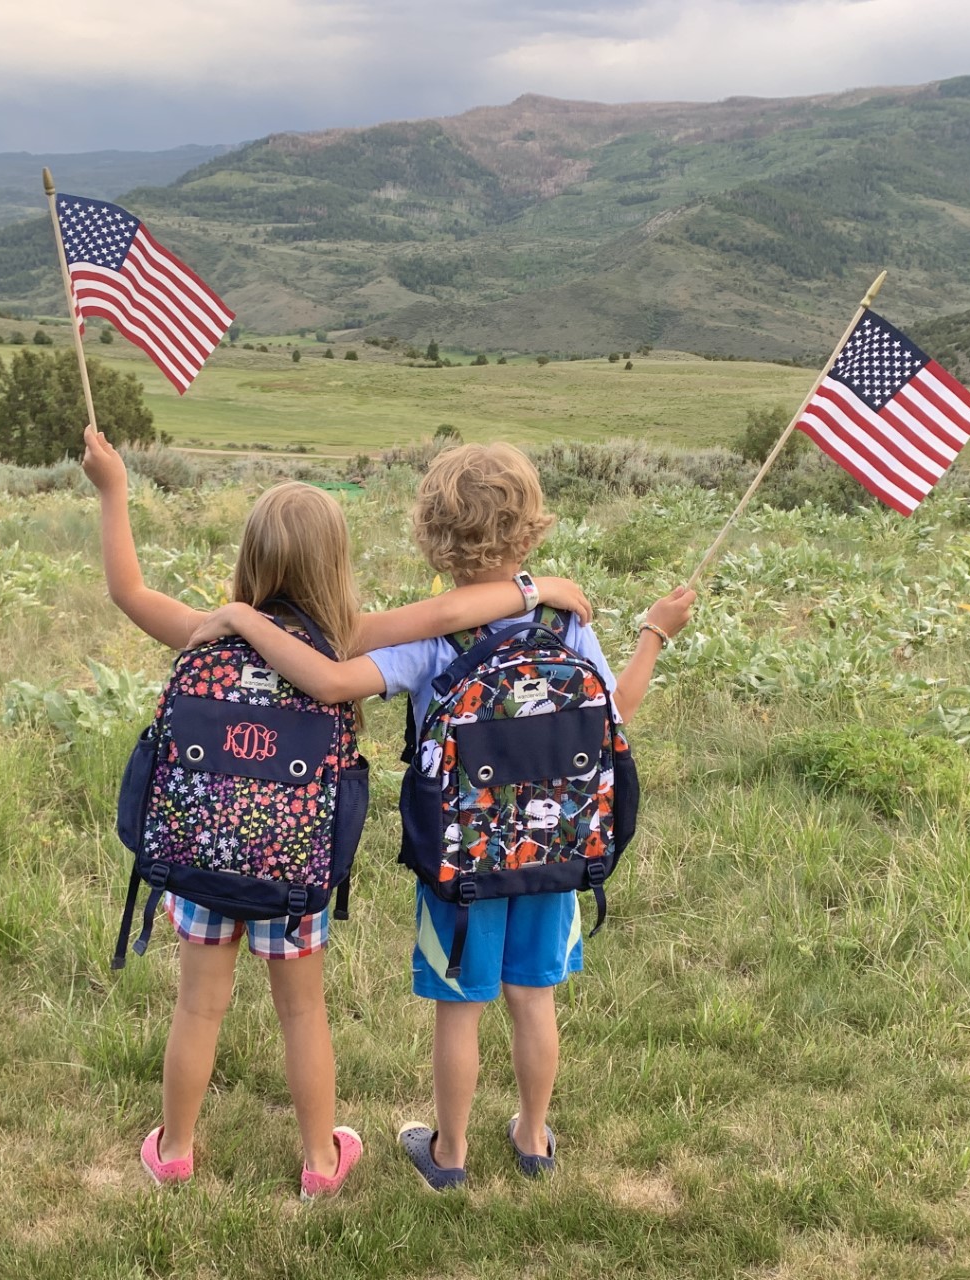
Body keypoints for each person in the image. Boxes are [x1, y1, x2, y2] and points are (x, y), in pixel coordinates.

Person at [81, 427, 595, 1200]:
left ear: (252, 558)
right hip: (297, 869)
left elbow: (127, 592)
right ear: (336, 564)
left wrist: (115, 489)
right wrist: (536, 590)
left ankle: (176, 1150)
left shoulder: (210, 633)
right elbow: (453, 611)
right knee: (303, 1014)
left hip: (203, 859)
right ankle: (321, 1161)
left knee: (196, 1006)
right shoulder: (340, 636)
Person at [186, 442, 696, 1190]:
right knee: (534, 997)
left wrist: (240, 619)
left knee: (459, 1009)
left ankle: (449, 1154)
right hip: (553, 852)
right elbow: (615, 709)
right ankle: (531, 1138)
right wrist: (652, 632)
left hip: (457, 862)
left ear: (432, 534)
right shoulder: (562, 621)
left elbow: (330, 681)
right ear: (531, 532)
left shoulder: (429, 639)